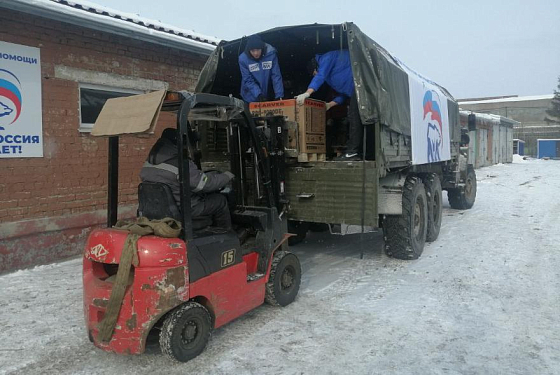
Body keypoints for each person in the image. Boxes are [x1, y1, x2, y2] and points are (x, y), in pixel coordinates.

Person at [140, 128, 234, 230]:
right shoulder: (180, 163)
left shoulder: (148, 163)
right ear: (178, 142)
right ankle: (226, 234)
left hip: (161, 210)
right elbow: (205, 185)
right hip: (185, 210)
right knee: (220, 200)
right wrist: (227, 176)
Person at [296, 49, 363, 161]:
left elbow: (320, 76)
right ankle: (356, 151)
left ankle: (353, 153)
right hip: (354, 91)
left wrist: (307, 93)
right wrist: (330, 105)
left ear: (316, 67)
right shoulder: (331, 76)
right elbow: (343, 93)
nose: (315, 75)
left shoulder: (326, 59)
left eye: (314, 73)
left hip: (360, 85)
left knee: (354, 118)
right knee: (354, 117)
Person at [238, 34, 284, 103]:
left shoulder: (271, 54)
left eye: (258, 50)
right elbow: (248, 79)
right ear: (249, 50)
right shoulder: (243, 59)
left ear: (262, 48)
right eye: (253, 51)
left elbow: (276, 75)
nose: (256, 53)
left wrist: (279, 95)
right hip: (249, 96)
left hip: (266, 93)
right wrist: (258, 94)